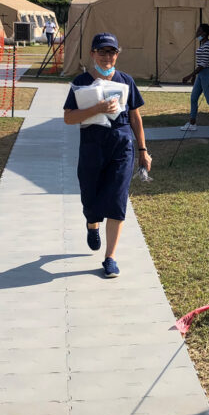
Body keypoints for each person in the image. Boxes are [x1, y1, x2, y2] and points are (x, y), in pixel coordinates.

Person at [63, 33, 152, 278]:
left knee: (117, 200)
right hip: (92, 147)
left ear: (117, 55)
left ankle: (110, 258)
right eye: (102, 52)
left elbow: (135, 117)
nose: (107, 57)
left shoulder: (126, 81)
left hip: (121, 148)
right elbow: (68, 117)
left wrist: (143, 150)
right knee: (90, 200)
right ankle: (92, 225)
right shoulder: (81, 82)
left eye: (112, 52)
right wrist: (97, 108)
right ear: (92, 54)